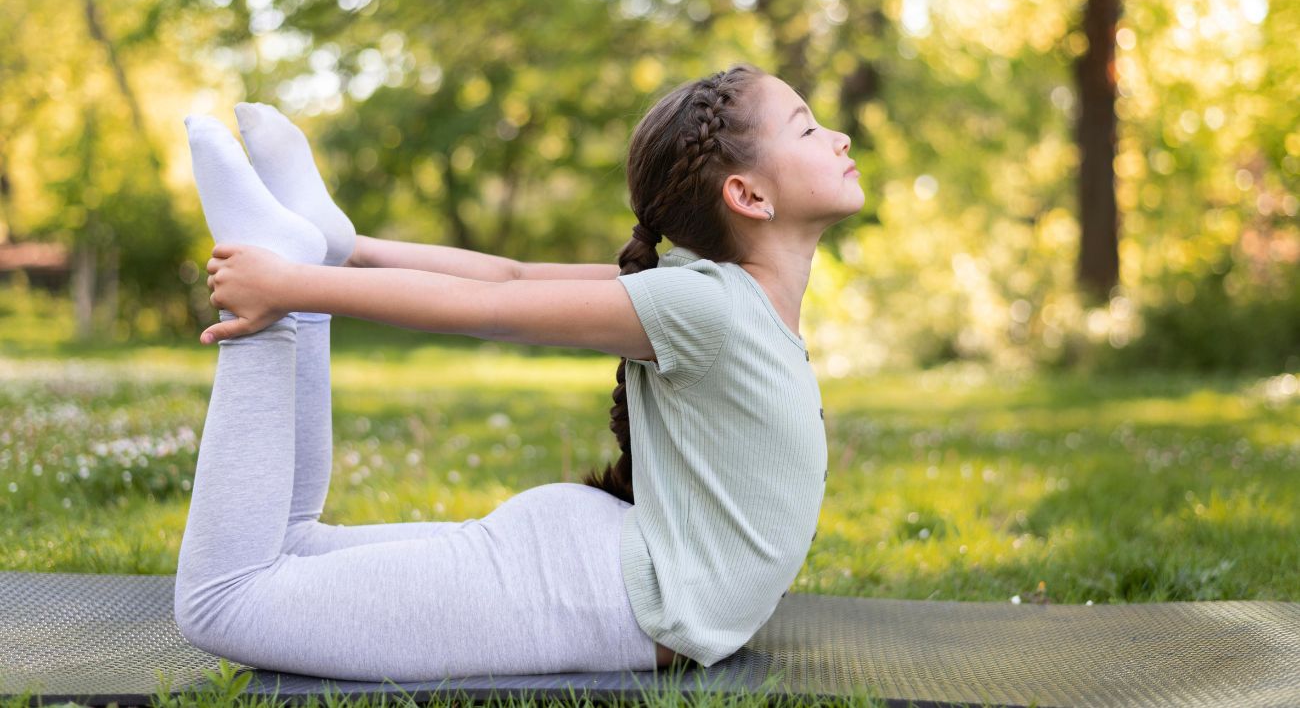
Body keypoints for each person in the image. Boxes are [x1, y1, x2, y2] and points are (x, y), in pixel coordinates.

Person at [174, 63, 864, 682]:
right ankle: (285, 256)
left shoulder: (714, 300)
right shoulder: (712, 303)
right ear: (749, 196)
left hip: (597, 563)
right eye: (807, 129)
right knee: (224, 601)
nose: (840, 138)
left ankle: (300, 251)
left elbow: (509, 279)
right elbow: (497, 294)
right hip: (595, 584)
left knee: (292, 549)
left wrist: (329, 262)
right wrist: (296, 281)